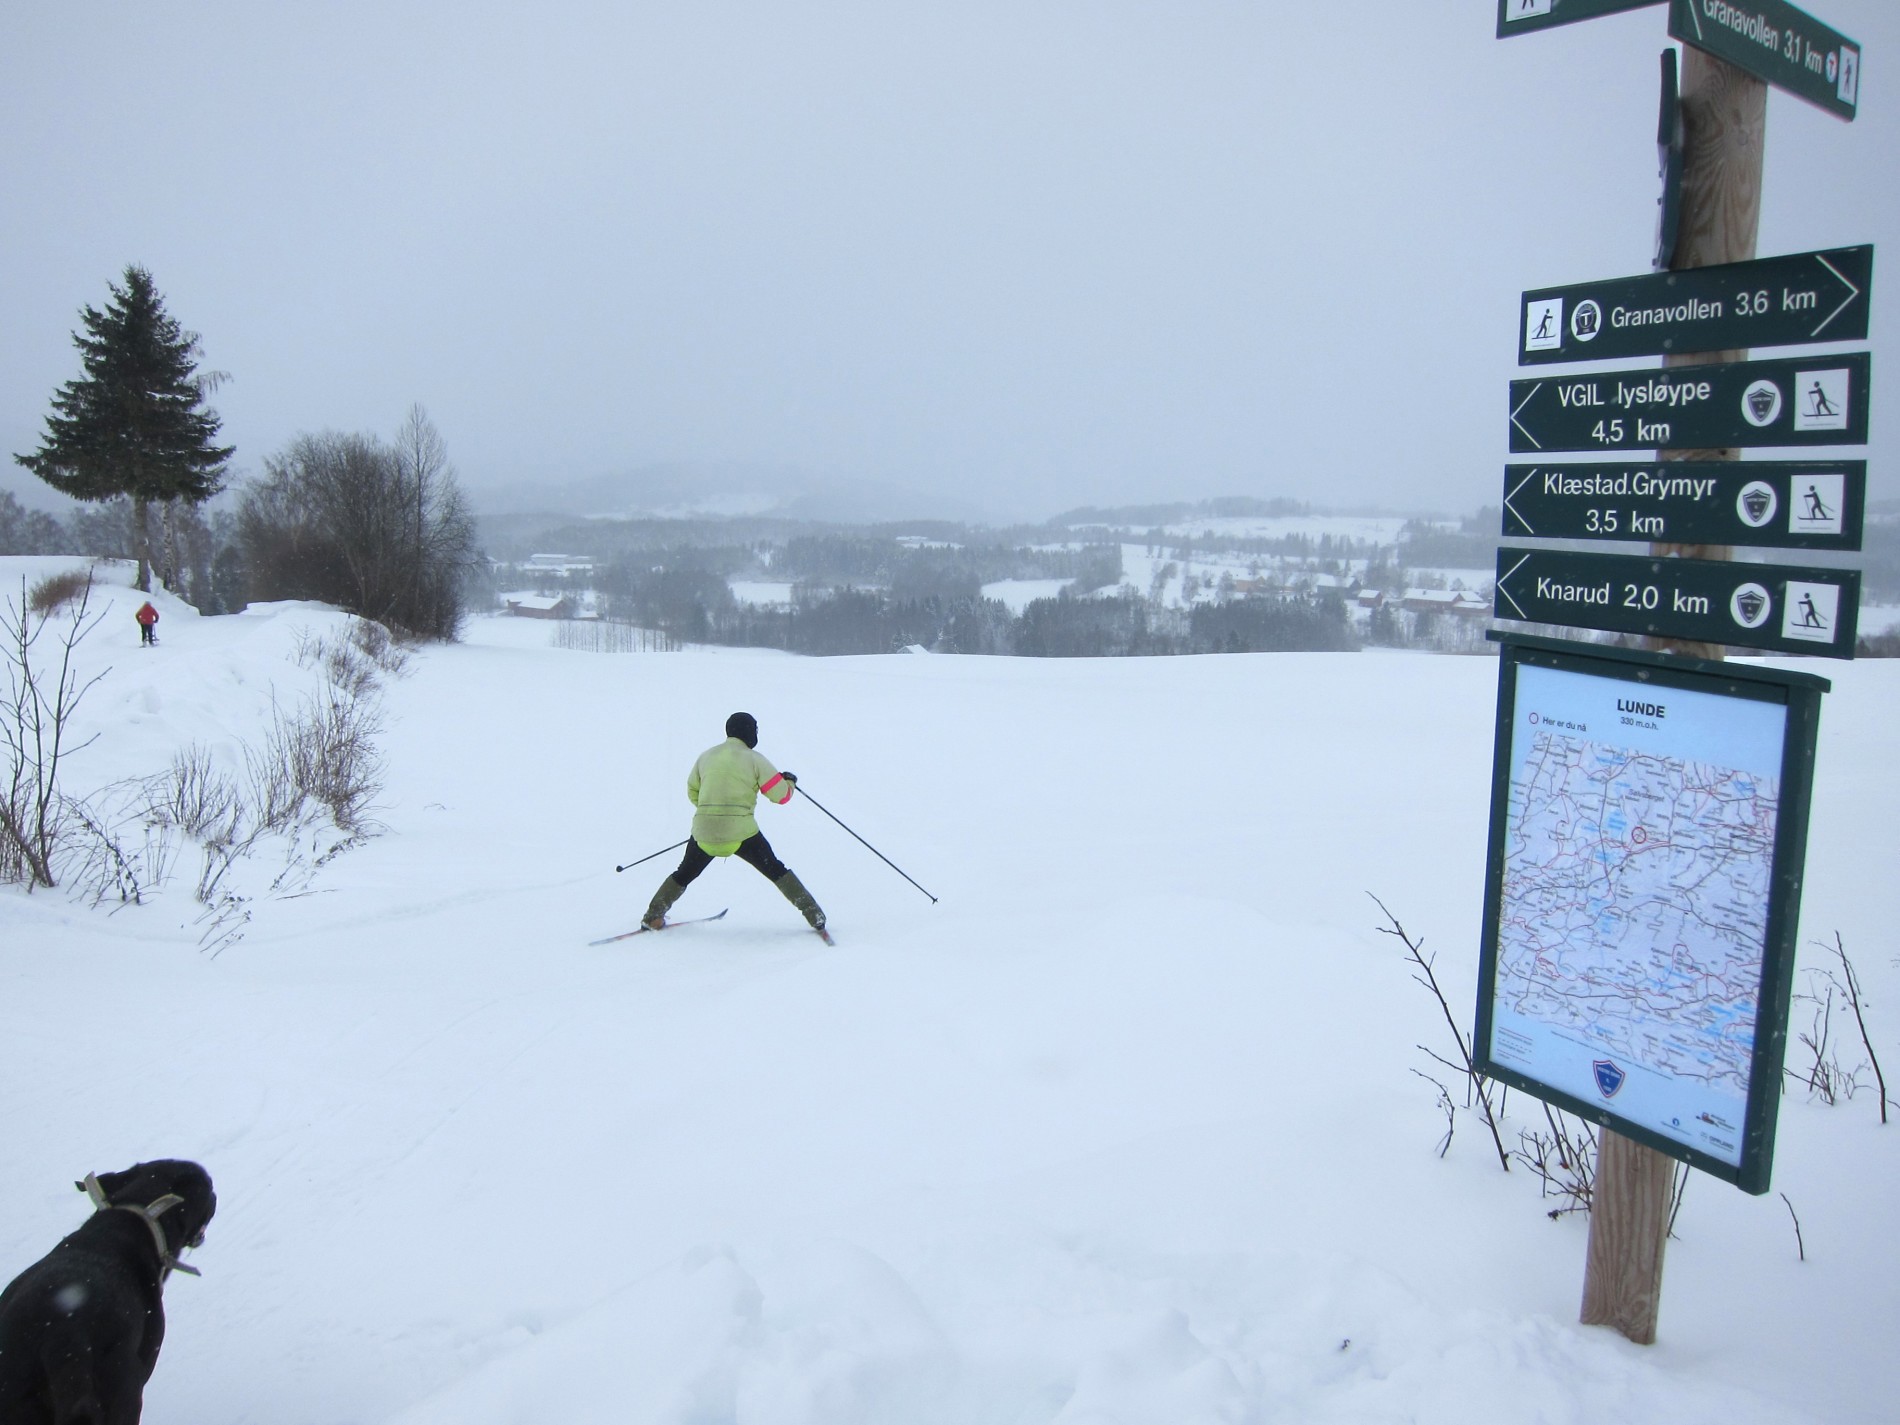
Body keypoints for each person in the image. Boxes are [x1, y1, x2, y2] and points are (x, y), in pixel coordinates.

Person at [643, 712, 827, 933]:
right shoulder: (755, 759)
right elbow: (781, 796)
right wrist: (789, 781)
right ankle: (814, 915)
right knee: (776, 870)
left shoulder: (706, 757)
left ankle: (652, 916)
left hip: (704, 831)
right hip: (742, 834)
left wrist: (712, 811)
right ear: (750, 733)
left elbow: (693, 791)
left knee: (683, 874)